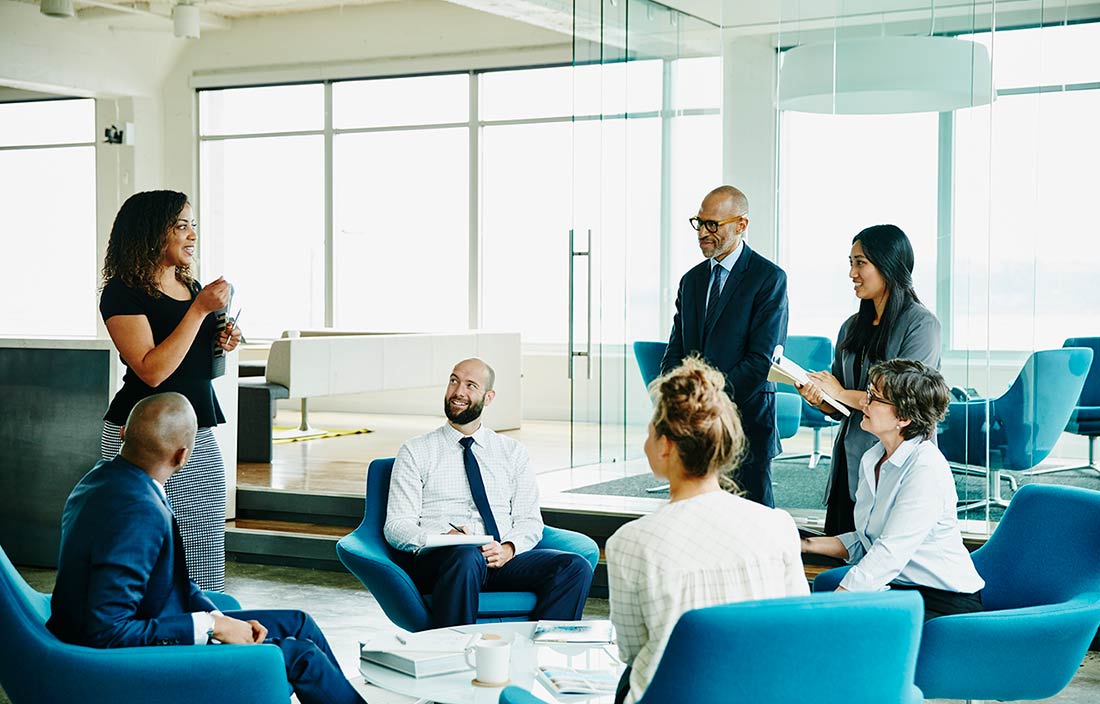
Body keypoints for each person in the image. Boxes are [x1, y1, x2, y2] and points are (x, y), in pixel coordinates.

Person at [47, 393, 366, 704]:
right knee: (302, 657)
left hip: (150, 622)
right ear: (182, 456)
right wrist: (211, 627)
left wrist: (218, 618)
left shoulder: (105, 478)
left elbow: (171, 584)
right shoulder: (139, 510)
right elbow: (107, 632)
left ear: (123, 433)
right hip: (128, 661)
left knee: (299, 623)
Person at [606, 357, 809, 704]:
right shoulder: (778, 525)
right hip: (763, 694)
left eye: (650, 431)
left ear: (666, 445)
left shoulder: (631, 542)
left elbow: (631, 650)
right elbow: (796, 625)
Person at [99, 190, 240, 591]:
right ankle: (148, 623)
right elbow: (152, 370)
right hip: (143, 427)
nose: (192, 235)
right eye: (181, 225)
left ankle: (204, 618)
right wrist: (199, 311)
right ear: (149, 232)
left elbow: (192, 358)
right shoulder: (122, 292)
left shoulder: (191, 285)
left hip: (195, 423)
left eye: (193, 224)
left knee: (203, 531)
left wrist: (222, 337)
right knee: (143, 531)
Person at [384, 358, 594, 628]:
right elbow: (396, 525)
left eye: (470, 385)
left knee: (574, 567)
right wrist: (439, 539)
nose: (459, 392)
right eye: (454, 381)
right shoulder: (416, 450)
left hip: (499, 560)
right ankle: (453, 657)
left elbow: (529, 520)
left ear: (488, 397)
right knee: (465, 554)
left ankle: (541, 658)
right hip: (444, 562)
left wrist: (509, 549)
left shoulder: (512, 452)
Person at [801, 360, 984, 620]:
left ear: (904, 417)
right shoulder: (874, 457)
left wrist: (827, 609)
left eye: (874, 398)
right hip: (899, 588)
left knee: (828, 627)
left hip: (942, 602)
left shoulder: (925, 469)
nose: (863, 402)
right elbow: (868, 540)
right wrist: (805, 544)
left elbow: (889, 552)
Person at [797, 224, 940, 535]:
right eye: (851, 263)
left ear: (888, 265)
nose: (852, 273)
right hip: (849, 462)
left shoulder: (922, 325)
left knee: (882, 564)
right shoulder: (851, 327)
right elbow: (840, 405)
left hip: (895, 464)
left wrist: (838, 391)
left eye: (860, 263)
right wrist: (823, 398)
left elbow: (905, 400)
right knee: (839, 556)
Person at [663, 185, 789, 507]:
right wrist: (680, 400)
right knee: (700, 519)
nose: (702, 233)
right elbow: (677, 349)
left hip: (745, 422)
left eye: (712, 225)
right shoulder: (691, 281)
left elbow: (761, 361)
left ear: (741, 225)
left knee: (753, 521)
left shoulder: (768, 278)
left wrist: (708, 401)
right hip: (696, 424)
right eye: (699, 222)